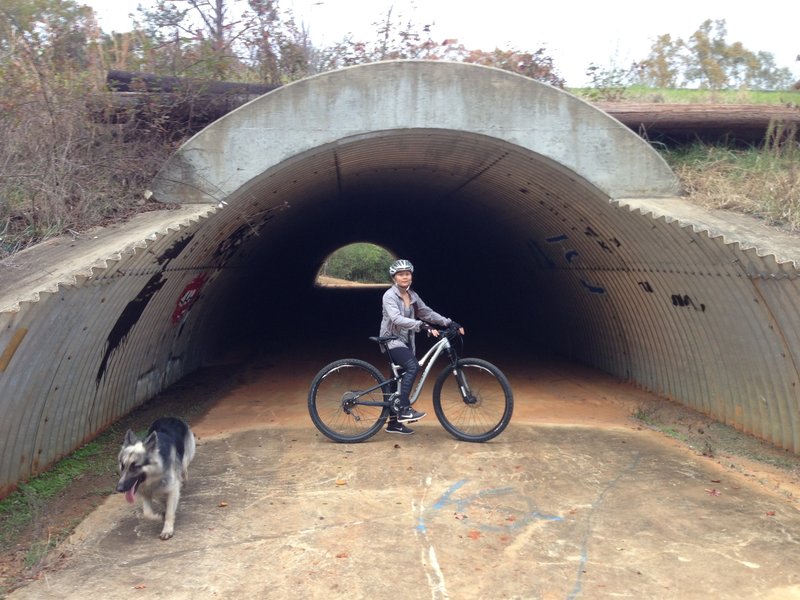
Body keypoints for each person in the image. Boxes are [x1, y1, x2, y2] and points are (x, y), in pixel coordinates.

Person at [380, 259, 462, 435]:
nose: (405, 277)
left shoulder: (413, 296)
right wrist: (421, 326)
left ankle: (393, 424)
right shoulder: (389, 296)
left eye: (407, 274)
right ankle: (404, 410)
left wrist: (448, 322)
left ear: (411, 276)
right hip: (391, 341)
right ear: (394, 277)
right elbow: (395, 318)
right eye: (401, 274)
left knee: (398, 381)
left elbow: (427, 313)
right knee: (413, 366)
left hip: (407, 342)